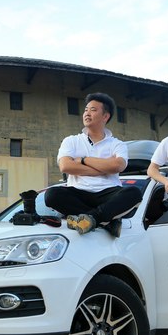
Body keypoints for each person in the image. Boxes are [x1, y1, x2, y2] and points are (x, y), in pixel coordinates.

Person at [44, 92, 142, 237]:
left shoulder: (117, 144)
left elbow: (118, 166)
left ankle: (91, 218)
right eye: (86, 110)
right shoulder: (71, 140)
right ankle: (105, 221)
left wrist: (84, 160)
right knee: (52, 195)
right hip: (78, 193)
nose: (87, 113)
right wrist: (103, 168)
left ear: (105, 116)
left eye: (93, 110)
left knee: (134, 193)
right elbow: (66, 166)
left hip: (108, 193)